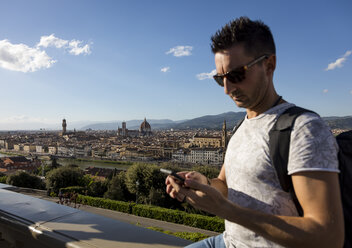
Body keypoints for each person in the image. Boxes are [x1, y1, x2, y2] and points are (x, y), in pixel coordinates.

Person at [165, 17, 344, 248]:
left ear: (269, 65)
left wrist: (227, 210)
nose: (227, 89)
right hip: (228, 242)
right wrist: (205, 183)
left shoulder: (304, 128)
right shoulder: (242, 126)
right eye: (221, 79)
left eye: (237, 74)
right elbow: (225, 185)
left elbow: (328, 237)